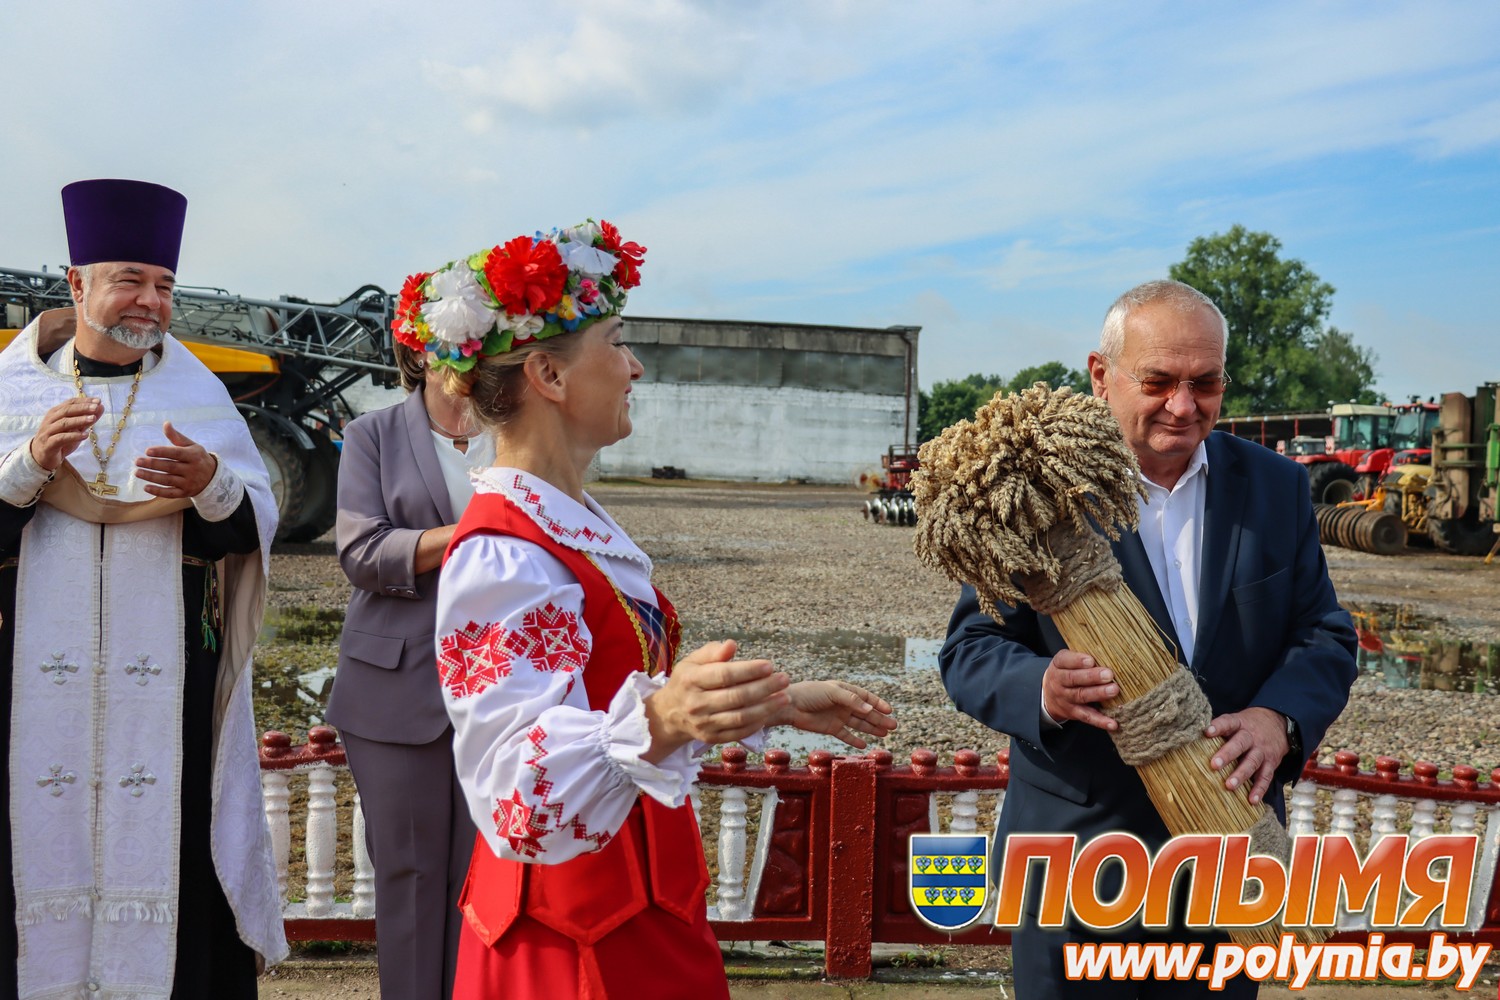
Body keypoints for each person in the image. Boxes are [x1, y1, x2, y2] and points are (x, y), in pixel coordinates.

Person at [390, 220, 898, 999]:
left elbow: (609, 684)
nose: (635, 366)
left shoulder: (562, 524)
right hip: (568, 941)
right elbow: (513, 793)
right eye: (618, 343)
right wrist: (661, 717)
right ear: (548, 375)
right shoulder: (504, 554)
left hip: (633, 908)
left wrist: (767, 703)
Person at [939, 279, 1358, 998]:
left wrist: (1278, 718)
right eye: (1159, 381)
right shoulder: (1036, 493)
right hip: (1075, 862)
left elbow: (1324, 632)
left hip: (1229, 859)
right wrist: (1043, 689)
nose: (1184, 406)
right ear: (1101, 375)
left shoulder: (1278, 487)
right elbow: (971, 648)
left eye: (1206, 383)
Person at [0, 179, 286, 998]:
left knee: (174, 850)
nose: (151, 302)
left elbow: (248, 537)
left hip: (169, 696)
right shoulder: (12, 395)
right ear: (76, 283)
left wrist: (212, 487)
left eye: (164, 285)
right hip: (24, 691)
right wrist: (27, 467)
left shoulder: (198, 399)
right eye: (130, 279)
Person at [327, 338, 494, 1000]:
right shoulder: (371, 435)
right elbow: (362, 550)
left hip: (502, 684)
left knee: (489, 874)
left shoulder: (521, 430)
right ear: (418, 353)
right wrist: (478, 531)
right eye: (459, 344)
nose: (475, 358)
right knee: (410, 874)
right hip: (393, 684)